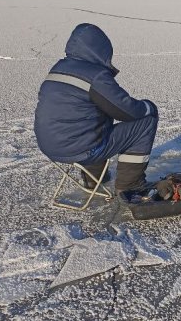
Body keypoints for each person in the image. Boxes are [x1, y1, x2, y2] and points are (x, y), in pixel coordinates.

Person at [34, 23, 158, 195]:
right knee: (146, 122)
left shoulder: (58, 69)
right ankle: (130, 184)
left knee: (92, 116)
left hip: (50, 147)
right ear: (101, 51)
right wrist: (148, 106)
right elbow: (127, 111)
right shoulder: (96, 76)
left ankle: (93, 178)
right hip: (80, 149)